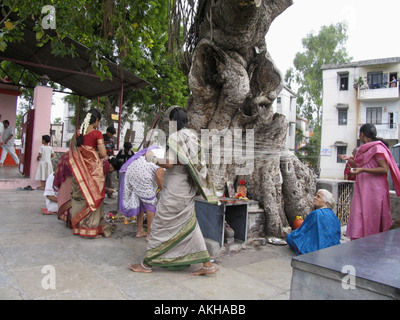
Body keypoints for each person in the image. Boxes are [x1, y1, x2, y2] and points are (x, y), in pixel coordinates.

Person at [128, 107, 218, 276]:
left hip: (175, 189)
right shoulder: (193, 137)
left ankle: (146, 264)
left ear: (172, 121)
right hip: (187, 189)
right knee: (190, 226)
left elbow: (169, 163)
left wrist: (152, 158)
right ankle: (207, 264)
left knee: (159, 224)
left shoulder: (175, 138)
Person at [339, 124, 400, 240]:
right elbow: (359, 166)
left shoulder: (378, 148)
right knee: (358, 215)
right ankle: (359, 244)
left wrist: (363, 170)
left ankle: (372, 245)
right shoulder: (365, 149)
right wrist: (349, 159)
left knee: (373, 218)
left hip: (375, 190)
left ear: (361, 134)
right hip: (362, 188)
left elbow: (384, 169)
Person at [69, 109, 115, 238]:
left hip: (79, 172)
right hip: (93, 171)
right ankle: (92, 227)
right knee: (94, 196)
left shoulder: (77, 134)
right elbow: (103, 154)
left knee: (81, 196)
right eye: (98, 121)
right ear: (96, 120)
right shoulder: (96, 134)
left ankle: (79, 226)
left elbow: (73, 152)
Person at [119, 145, 165, 241]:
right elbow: (158, 174)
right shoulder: (167, 157)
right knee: (150, 204)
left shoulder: (158, 149)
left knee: (140, 200)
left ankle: (140, 230)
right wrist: (163, 190)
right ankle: (149, 234)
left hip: (132, 168)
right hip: (143, 171)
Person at [286, 189, 341, 255]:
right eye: (316, 195)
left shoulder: (316, 213)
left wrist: (293, 234)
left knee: (290, 237)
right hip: (332, 248)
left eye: (318, 196)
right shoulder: (333, 215)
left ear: (326, 203)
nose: (315, 197)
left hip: (316, 249)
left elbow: (302, 232)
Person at [53, 152, 73, 228]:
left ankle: (69, 221)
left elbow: (58, 171)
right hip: (75, 182)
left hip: (66, 182)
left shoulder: (65, 156)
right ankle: (72, 222)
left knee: (67, 201)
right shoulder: (83, 155)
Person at [103, 126, 116, 199]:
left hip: (109, 160)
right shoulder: (101, 138)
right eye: (111, 134)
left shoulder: (112, 141)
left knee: (109, 177)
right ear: (107, 132)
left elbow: (112, 151)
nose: (111, 136)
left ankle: (109, 193)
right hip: (101, 160)